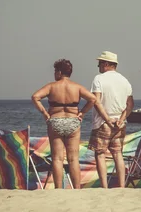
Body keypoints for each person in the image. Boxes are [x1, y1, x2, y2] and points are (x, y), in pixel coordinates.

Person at [31, 59, 114, 189]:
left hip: (55, 121)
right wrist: (83, 112)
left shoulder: (51, 86)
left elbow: (35, 97)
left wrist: (45, 113)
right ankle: (77, 189)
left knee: (57, 159)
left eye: (55, 71)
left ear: (59, 72)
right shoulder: (77, 87)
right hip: (73, 121)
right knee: (73, 159)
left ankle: (59, 188)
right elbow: (93, 99)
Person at [88, 51, 134, 188]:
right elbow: (130, 104)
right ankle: (121, 186)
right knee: (118, 153)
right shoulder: (125, 80)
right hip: (120, 122)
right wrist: (122, 119)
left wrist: (107, 119)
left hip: (103, 122)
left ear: (106, 64)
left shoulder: (99, 79)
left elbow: (96, 101)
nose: (98, 66)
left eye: (100, 63)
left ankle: (104, 186)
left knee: (100, 154)